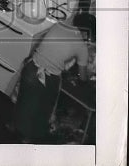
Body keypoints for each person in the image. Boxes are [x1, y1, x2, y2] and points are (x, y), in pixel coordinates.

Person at [14, 13, 95, 143]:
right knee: (40, 114)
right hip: (46, 79)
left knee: (24, 104)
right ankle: (27, 143)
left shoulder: (59, 25)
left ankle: (15, 133)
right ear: (88, 32)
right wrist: (86, 75)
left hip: (30, 69)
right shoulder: (82, 47)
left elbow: (47, 46)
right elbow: (83, 78)